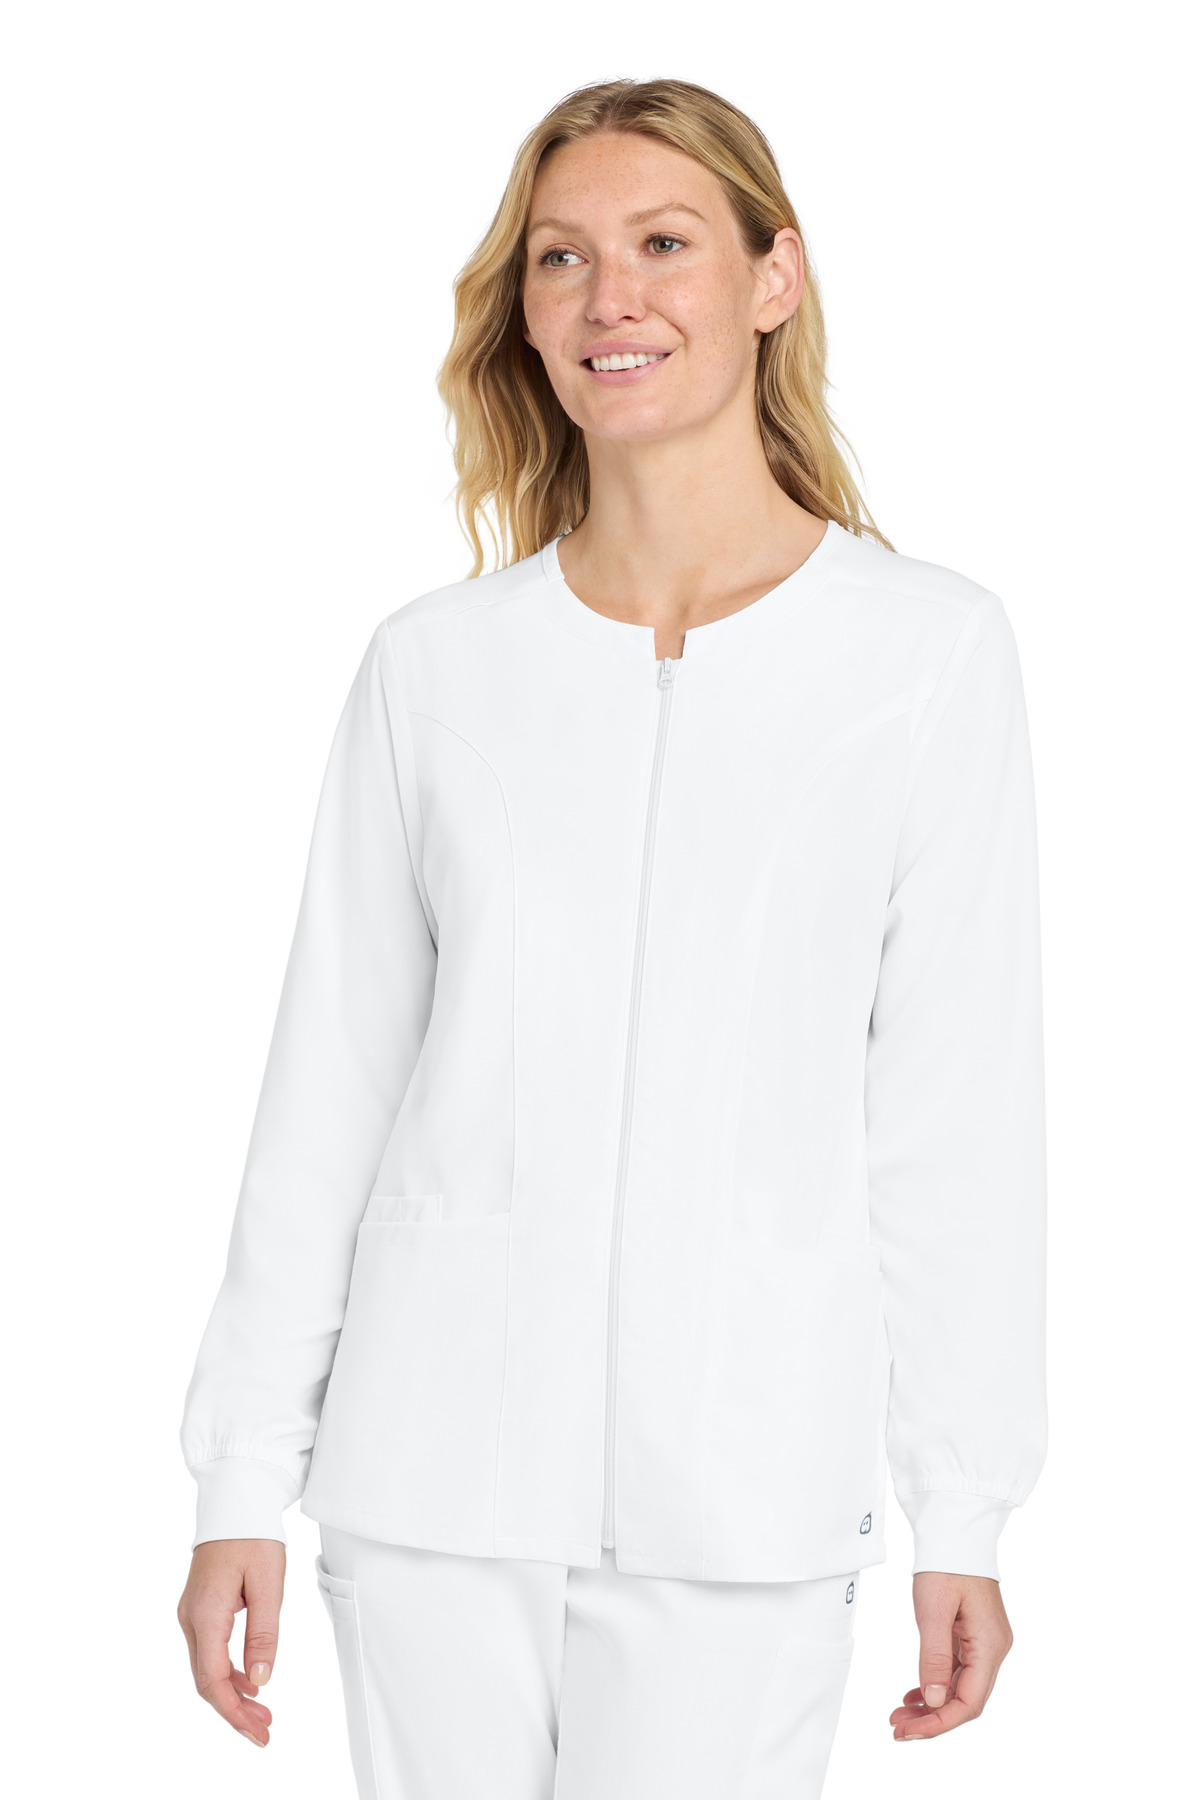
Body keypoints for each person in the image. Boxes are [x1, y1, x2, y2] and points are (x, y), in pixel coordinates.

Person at [177, 76, 1047, 1800]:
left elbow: (958, 1117)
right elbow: (329, 1089)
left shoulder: (925, 657)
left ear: (773, 276)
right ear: (522, 309)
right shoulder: (436, 669)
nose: (609, 298)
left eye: (663, 244)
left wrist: (965, 1507)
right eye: (561, 257)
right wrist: (238, 1480)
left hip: (747, 1491)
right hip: (431, 1486)